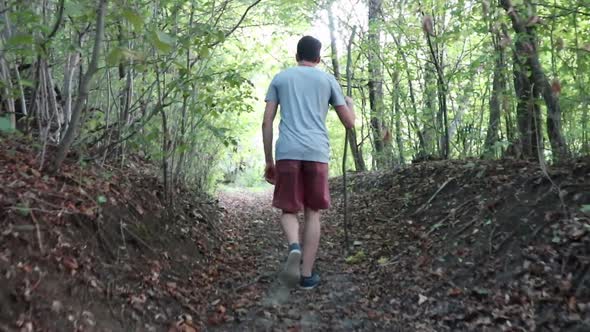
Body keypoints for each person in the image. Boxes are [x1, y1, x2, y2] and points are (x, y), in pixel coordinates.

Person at [261, 35, 355, 289]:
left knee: (288, 210)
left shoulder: (281, 78)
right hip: (316, 152)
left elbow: (267, 121)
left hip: (287, 152)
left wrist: (269, 160)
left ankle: (294, 246)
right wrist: (351, 104)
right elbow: (349, 122)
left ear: (296, 56)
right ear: (319, 57)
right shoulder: (327, 79)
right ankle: (306, 275)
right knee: (313, 212)